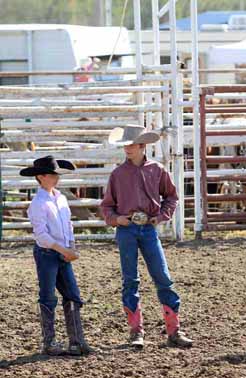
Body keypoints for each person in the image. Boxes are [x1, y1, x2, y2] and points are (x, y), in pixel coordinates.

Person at [100, 125, 193, 349]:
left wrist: (160, 216)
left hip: (148, 228)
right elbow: (106, 207)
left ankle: (174, 331)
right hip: (127, 229)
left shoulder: (157, 170)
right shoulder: (118, 174)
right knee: (130, 279)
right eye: (125, 145)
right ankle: (136, 333)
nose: (127, 149)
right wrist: (117, 219)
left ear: (142, 146)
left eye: (131, 145)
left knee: (162, 277)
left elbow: (171, 197)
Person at [20, 155, 93, 356]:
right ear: (41, 177)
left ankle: (76, 341)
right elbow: (41, 236)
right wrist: (65, 250)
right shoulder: (37, 203)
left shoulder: (59, 198)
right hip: (47, 253)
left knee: (72, 295)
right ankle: (50, 342)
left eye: (56, 174)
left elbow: (68, 225)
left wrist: (71, 246)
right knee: (48, 296)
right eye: (52, 175)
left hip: (60, 252)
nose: (56, 178)